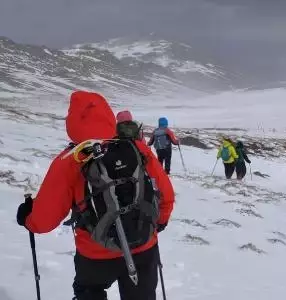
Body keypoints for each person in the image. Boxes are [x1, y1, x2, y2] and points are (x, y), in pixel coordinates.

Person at [15, 91, 175, 300]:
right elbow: (166, 194)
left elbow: (44, 220)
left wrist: (28, 218)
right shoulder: (137, 148)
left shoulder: (70, 159)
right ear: (109, 116)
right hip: (143, 244)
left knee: (88, 291)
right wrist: (158, 223)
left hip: (95, 253)